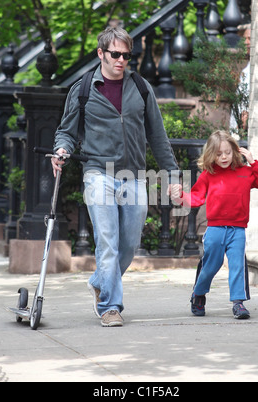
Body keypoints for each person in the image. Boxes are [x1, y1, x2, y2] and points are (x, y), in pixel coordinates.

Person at [52, 27, 179, 327]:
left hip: (134, 175)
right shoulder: (84, 88)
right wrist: (61, 150)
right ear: (101, 54)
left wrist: (172, 173)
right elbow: (67, 132)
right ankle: (110, 306)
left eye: (126, 55)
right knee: (107, 241)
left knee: (130, 243)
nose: (121, 60)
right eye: (115, 54)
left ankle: (100, 281)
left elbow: (157, 136)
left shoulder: (141, 87)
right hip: (98, 173)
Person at [168, 131, 258, 319]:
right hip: (215, 229)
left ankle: (238, 303)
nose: (223, 157)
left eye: (227, 152)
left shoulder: (246, 172)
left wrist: (253, 161)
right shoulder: (209, 175)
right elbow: (196, 198)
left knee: (237, 264)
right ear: (211, 155)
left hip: (237, 229)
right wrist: (179, 196)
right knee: (211, 265)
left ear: (235, 151)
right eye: (218, 154)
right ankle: (198, 294)